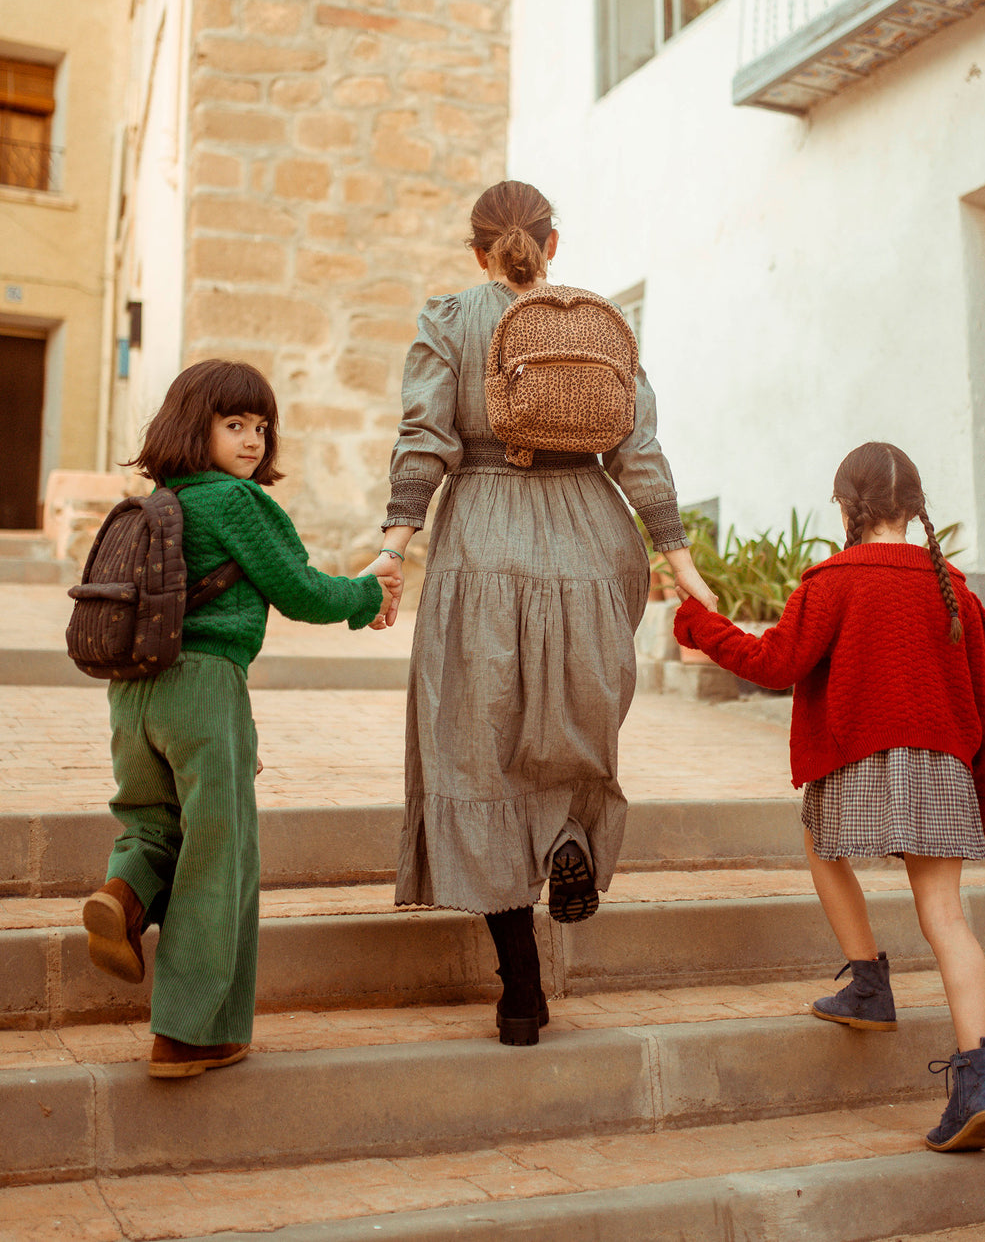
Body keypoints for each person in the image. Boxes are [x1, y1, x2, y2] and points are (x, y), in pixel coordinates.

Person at [361, 179, 715, 1046]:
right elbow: (642, 447)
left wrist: (393, 544)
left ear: (477, 250)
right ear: (552, 245)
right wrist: (680, 558)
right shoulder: (599, 322)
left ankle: (522, 991)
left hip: (484, 539)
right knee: (567, 725)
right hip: (592, 543)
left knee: (478, 745)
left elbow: (425, 440)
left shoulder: (449, 319)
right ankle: (566, 837)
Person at [674, 441, 985, 1152]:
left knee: (819, 840)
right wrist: (983, 791)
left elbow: (775, 664)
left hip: (858, 757)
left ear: (846, 506)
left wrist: (700, 624)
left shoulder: (834, 579)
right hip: (944, 766)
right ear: (915, 508)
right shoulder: (953, 585)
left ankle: (868, 981)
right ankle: (977, 1080)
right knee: (947, 918)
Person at [82, 360, 397, 1078]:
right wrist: (364, 594)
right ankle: (191, 1035)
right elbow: (301, 591)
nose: (254, 440)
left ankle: (122, 895)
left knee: (152, 824)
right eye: (235, 425)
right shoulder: (236, 503)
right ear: (198, 426)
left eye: (261, 427)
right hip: (203, 687)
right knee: (219, 858)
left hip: (132, 693)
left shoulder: (157, 501)